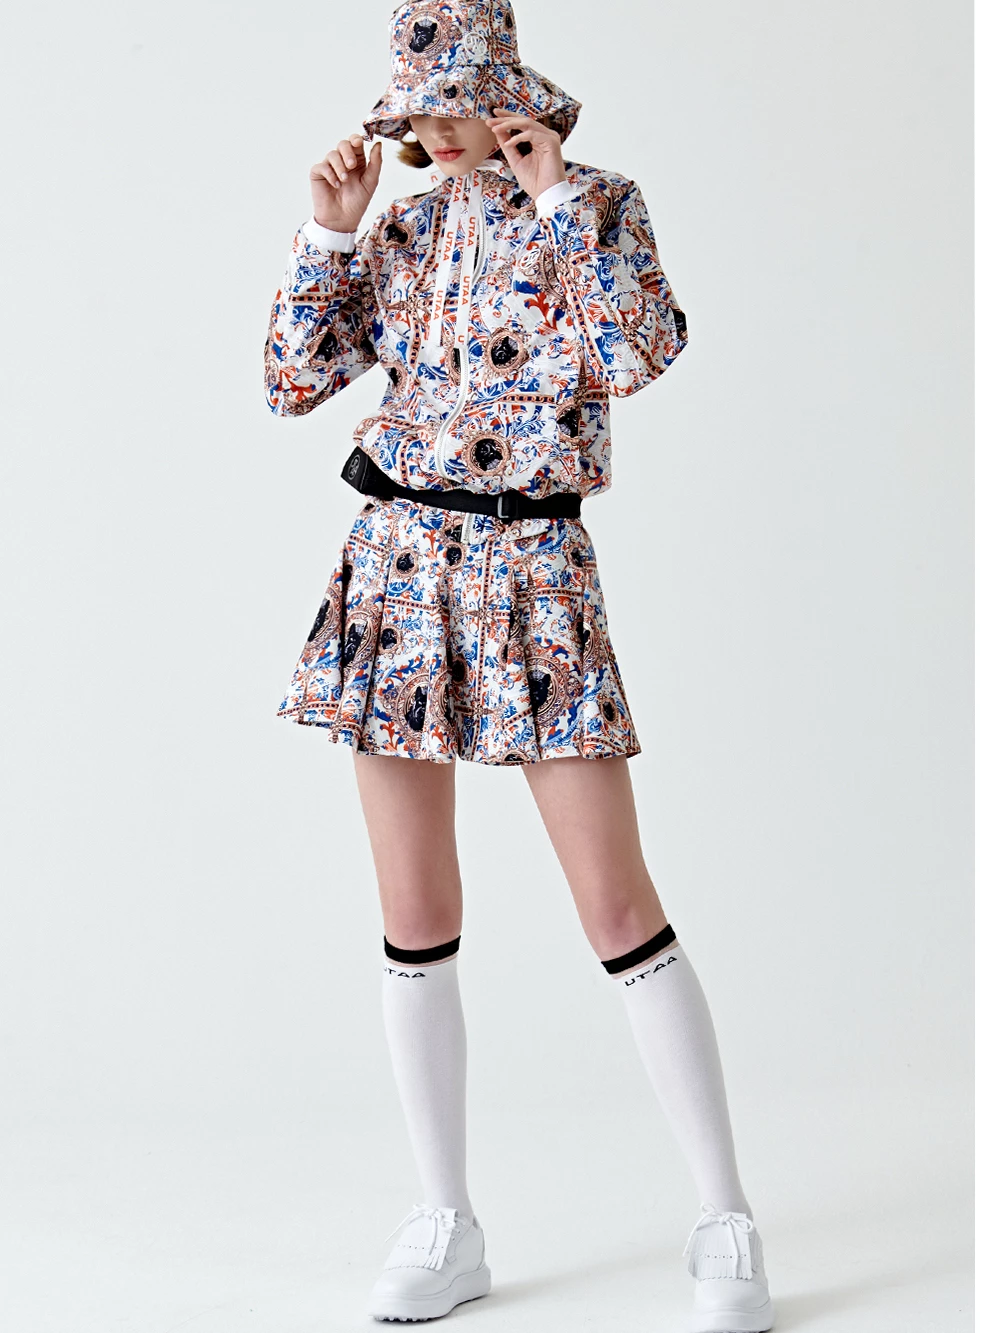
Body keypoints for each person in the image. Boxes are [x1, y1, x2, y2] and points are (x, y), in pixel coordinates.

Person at [263, 3, 774, 1329]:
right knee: (414, 908)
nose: (443, 127)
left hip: (537, 573)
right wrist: (330, 234)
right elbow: (292, 382)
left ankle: (724, 1217)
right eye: (422, 107)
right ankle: (446, 1218)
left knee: (616, 907)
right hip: (397, 568)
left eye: (466, 100)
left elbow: (641, 353)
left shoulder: (596, 205)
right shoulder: (401, 233)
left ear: (513, 97)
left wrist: (554, 197)